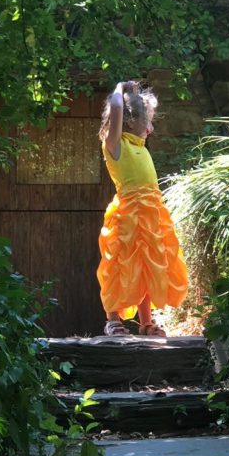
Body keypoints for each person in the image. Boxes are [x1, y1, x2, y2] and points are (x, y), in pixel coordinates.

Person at [96, 80, 188, 337]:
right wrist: (120, 87)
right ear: (128, 121)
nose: (151, 127)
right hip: (127, 215)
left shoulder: (139, 146)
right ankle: (113, 319)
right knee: (119, 265)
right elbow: (116, 105)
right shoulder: (115, 145)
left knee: (148, 266)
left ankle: (146, 322)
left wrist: (135, 97)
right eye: (147, 120)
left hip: (151, 215)